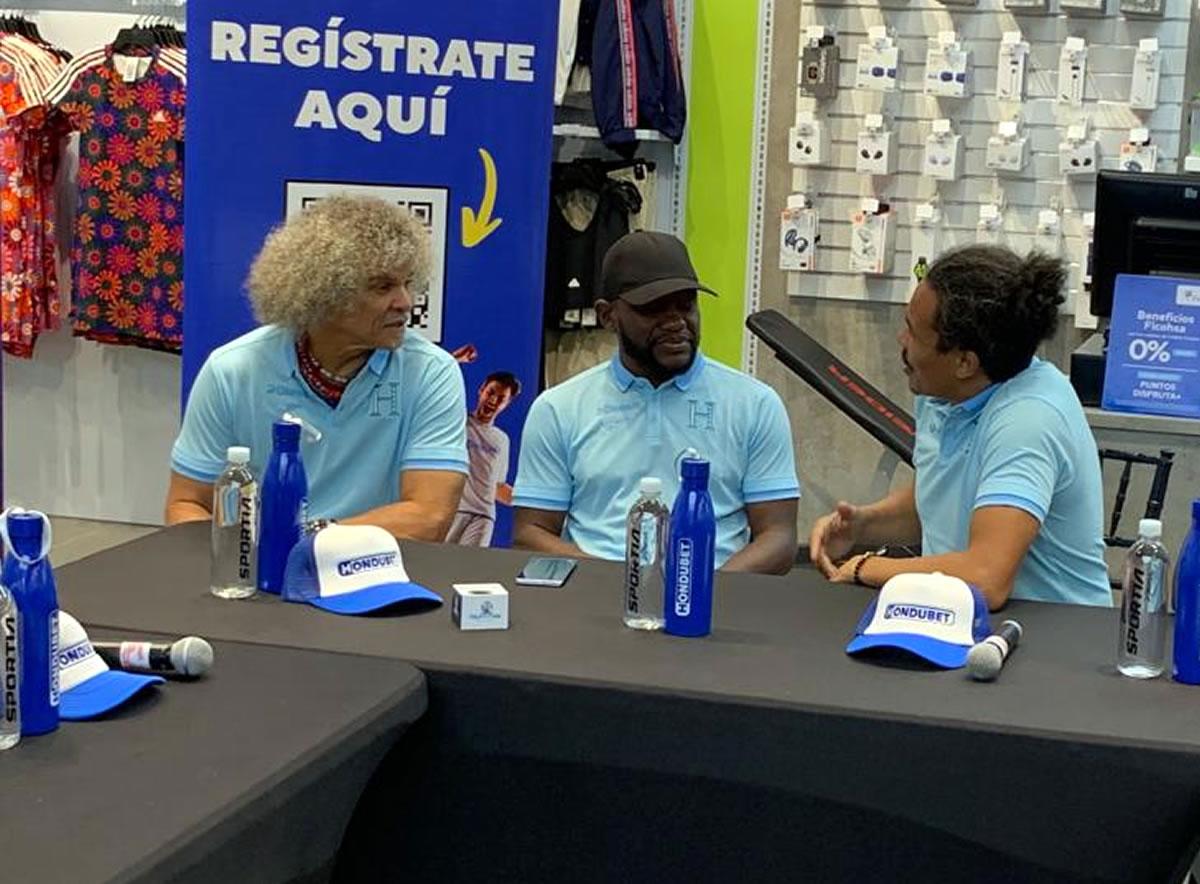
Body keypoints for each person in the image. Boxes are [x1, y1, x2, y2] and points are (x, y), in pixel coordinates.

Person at [809, 245, 1111, 609]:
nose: (901, 341)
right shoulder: (943, 390)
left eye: (913, 333)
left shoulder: (1028, 420)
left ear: (964, 362)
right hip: (959, 621)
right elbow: (940, 501)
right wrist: (863, 527)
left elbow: (986, 578)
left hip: (1053, 637)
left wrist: (868, 567)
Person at [165, 195, 468, 541]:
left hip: (375, 576)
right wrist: (240, 564)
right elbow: (186, 504)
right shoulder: (232, 370)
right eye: (383, 287)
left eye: (408, 283)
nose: (405, 302)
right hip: (257, 576)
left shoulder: (432, 372)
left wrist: (301, 541)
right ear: (324, 292)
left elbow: (429, 516)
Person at [513, 231, 800, 575]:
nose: (677, 322)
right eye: (653, 309)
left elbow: (779, 538)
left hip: (717, 603)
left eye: (686, 305)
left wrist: (698, 593)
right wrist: (622, 586)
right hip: (591, 600)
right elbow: (531, 533)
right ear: (608, 316)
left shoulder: (756, 405)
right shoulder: (558, 409)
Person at [447, 371, 522, 547]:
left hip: (483, 516)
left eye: (501, 398)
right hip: (452, 510)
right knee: (438, 566)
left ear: (507, 403)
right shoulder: (457, 422)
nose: (493, 401)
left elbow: (498, 487)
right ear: (481, 390)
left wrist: (534, 501)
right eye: (491, 393)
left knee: (468, 571)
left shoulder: (502, 440)